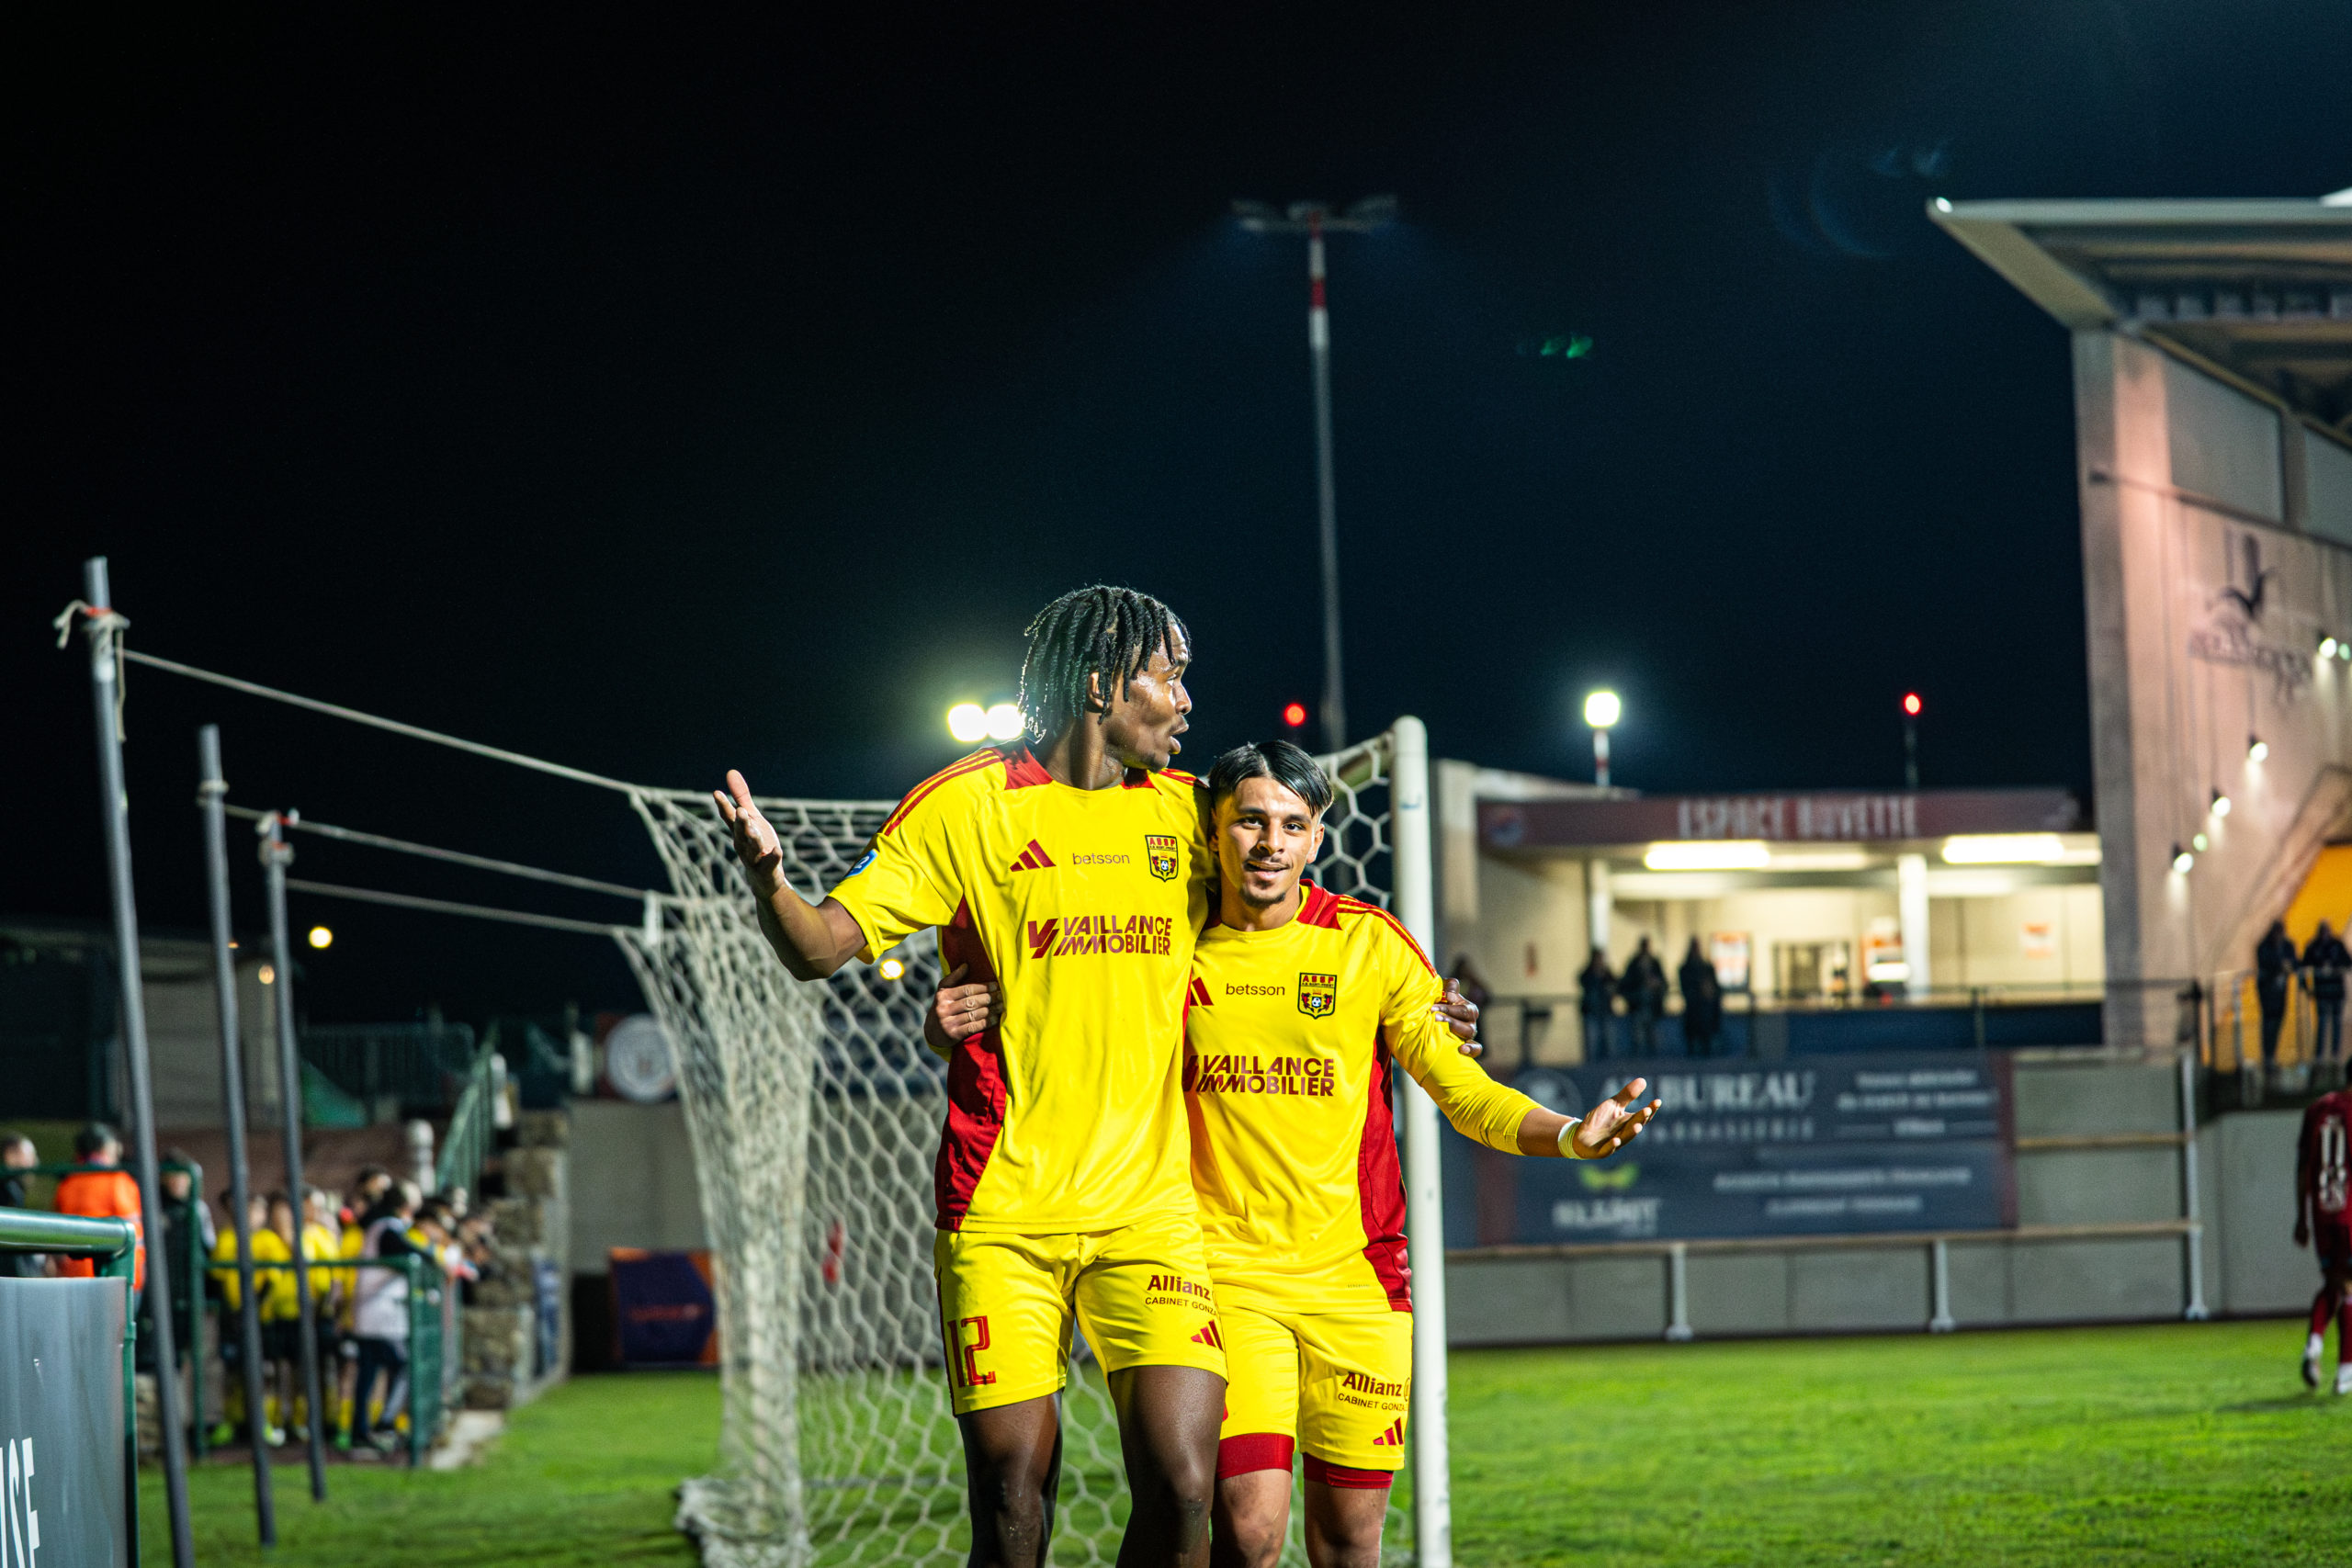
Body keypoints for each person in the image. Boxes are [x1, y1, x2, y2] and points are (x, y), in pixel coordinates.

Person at [931, 741, 1657, 1568]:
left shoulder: (1369, 944)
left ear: (1316, 837)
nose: (1270, 842)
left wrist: (1567, 1133)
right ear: (1213, 832)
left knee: (1349, 1541)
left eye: (1292, 824)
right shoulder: (1168, 945)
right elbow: (1058, 1008)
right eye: (1250, 821)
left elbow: (1462, 1089)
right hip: (1225, 1278)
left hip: (1358, 1281)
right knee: (1248, 1530)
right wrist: (949, 1020)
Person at [718, 584, 1225, 1568]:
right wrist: (769, 879)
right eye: (1169, 677)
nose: (1185, 701)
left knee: (1181, 1487)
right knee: (1008, 1495)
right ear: (1100, 686)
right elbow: (819, 948)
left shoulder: (1193, 814)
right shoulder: (965, 807)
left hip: (1151, 1210)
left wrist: (1419, 1002)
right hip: (1003, 1210)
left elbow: (1291, 935)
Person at [352, 1182, 425, 1451]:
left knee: (371, 1374)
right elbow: (407, 1250)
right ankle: (381, 1424)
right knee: (400, 1366)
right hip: (376, 1314)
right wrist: (430, 1256)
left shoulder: (385, 1226)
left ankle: (368, 1429)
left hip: (377, 1314)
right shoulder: (387, 1228)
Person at [2295, 1085, 2351, 1394]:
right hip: (2349, 1211)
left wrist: (2301, 1217)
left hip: (2322, 1212)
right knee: (2349, 1287)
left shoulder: (2316, 1109)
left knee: (2334, 1283)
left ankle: (2314, 1346)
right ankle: (2346, 1371)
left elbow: (2302, 1167)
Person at [53, 1122, 144, 1290]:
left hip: (74, 1274)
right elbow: (134, 1233)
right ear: (105, 1147)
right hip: (114, 1275)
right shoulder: (118, 1181)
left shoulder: (67, 1184)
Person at [2302, 921, 2349, 1073]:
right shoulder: (2313, 946)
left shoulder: (2337, 945)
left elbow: (2348, 962)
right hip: (2322, 992)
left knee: (2336, 1023)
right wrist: (2307, 988)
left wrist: (2335, 967)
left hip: (2336, 992)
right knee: (2322, 1024)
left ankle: (2335, 1056)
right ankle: (2319, 1057)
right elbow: (2303, 967)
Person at [2257, 919, 2299, 1074]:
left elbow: (2295, 962)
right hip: (2267, 991)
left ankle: (2272, 1055)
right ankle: (2267, 1056)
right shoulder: (2264, 945)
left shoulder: (2287, 945)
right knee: (2268, 1023)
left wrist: (2288, 965)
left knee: (2278, 1022)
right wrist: (2280, 964)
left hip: (2281, 991)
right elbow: (2264, 961)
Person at [1, 1133, 42, 1277]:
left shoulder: (13, 1191)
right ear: (10, 1156)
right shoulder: (7, 1193)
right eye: (30, 1157)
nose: (35, 1163)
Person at [1618, 938, 1668, 1057]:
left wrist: (1656, 985)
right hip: (1638, 1007)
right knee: (1638, 1038)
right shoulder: (1634, 964)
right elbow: (1625, 984)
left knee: (1653, 1038)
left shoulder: (1655, 963)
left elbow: (1664, 983)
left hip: (1652, 1007)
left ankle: (1653, 1060)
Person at [1678, 939, 1722, 1059]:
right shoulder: (1687, 969)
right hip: (1694, 1009)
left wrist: (1709, 992)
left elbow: (1716, 988)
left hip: (1706, 1011)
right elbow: (1685, 988)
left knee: (1705, 1038)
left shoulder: (1706, 968)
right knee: (1693, 1039)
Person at [1577, 949, 1617, 1062]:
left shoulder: (1606, 972)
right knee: (1592, 1040)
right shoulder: (1588, 973)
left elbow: (1614, 984)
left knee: (1608, 1039)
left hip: (1605, 1010)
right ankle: (1592, 1063)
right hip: (1591, 1011)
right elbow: (1583, 981)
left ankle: (1608, 1062)